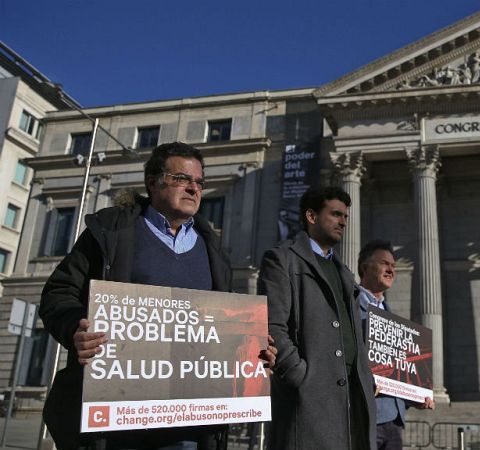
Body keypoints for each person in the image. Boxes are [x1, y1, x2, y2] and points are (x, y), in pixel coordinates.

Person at [39, 142, 276, 450]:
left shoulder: (212, 250)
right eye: (182, 179)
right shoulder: (112, 232)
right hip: (117, 423)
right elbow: (58, 293)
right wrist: (75, 329)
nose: (194, 188)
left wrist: (255, 352)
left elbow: (222, 329)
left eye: (199, 183)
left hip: (189, 425)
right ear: (153, 182)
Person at [258, 186, 376, 450]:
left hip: (352, 399)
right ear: (311, 216)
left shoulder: (344, 273)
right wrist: (299, 376)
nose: (343, 222)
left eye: (345, 216)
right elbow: (272, 325)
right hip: (309, 400)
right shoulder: (282, 259)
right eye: (335, 214)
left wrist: (366, 377)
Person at [356, 240, 435, 450]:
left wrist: (415, 397)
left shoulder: (392, 318)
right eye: (384, 263)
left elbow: (398, 373)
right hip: (364, 417)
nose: (391, 269)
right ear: (365, 267)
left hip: (394, 420)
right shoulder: (349, 309)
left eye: (393, 265)